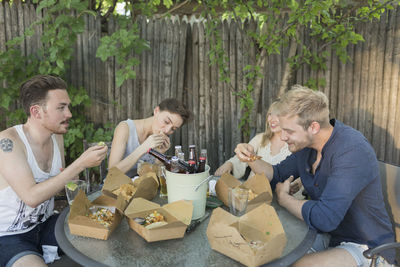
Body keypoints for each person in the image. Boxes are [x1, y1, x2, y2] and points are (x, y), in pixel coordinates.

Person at [234, 85, 395, 266]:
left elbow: (325, 218)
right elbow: (276, 174)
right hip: (329, 236)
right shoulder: (306, 148)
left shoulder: (352, 151)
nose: (283, 136)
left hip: (367, 247)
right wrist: (249, 158)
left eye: (289, 131)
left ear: (313, 127)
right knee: (265, 254)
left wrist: (285, 199)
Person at [0, 75, 108, 267]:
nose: (69, 114)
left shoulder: (56, 137)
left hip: (48, 225)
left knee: (104, 238)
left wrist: (70, 180)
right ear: (36, 111)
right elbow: (31, 197)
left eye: (68, 107)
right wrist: (80, 164)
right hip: (9, 236)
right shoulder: (8, 143)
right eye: (61, 108)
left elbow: (60, 182)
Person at [108, 98, 193, 178]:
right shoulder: (125, 128)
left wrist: (159, 156)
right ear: (156, 111)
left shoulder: (158, 141)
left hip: (140, 189)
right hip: (114, 188)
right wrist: (143, 148)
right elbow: (111, 174)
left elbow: (152, 176)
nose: (167, 130)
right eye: (166, 121)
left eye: (173, 129)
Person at [215, 102, 291, 178]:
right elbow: (243, 156)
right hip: (251, 188)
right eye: (270, 114)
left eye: (277, 115)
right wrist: (230, 164)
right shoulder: (261, 138)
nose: (270, 119)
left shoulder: (294, 144)